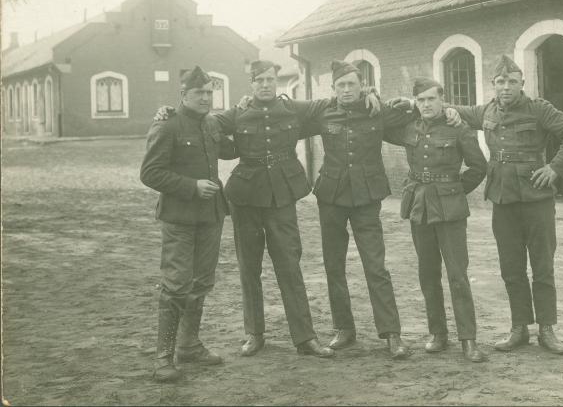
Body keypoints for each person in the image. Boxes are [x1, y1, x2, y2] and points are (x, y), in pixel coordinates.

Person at [153, 60, 383, 359]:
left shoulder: (295, 110)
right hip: (245, 198)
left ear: (277, 82)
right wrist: (168, 111)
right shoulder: (235, 114)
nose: (264, 85)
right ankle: (254, 334)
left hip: (282, 198)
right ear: (251, 84)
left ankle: (305, 338)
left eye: (270, 79)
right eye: (259, 80)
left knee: (290, 265)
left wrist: (371, 93)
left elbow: (337, 100)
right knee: (249, 268)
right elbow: (198, 121)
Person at [312, 60, 461, 359]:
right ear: (333, 89)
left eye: (351, 84)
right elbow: (280, 113)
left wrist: (452, 110)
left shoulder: (376, 109)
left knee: (376, 266)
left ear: (361, 85)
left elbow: (418, 106)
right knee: (333, 265)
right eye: (340, 85)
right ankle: (344, 328)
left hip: (367, 197)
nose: (346, 90)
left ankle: (392, 334)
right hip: (331, 196)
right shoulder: (320, 111)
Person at [450, 55, 563, 355]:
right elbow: (447, 108)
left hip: (537, 199)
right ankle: (519, 327)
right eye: (501, 82)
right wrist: (404, 103)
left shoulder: (539, 109)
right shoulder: (485, 111)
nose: (506, 87)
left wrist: (555, 168)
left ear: (522, 83)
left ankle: (547, 329)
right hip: (503, 200)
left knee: (542, 266)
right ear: (493, 85)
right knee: (511, 268)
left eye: (512, 81)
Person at [383, 77, 487, 362]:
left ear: (443, 100)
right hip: (419, 207)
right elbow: (381, 124)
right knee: (427, 273)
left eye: (431, 99)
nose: (426, 104)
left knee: (457, 275)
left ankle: (468, 339)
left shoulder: (459, 128)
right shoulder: (409, 127)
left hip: (450, 209)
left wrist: (453, 191)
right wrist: (403, 105)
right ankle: (438, 333)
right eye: (421, 100)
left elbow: (479, 167)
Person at [140, 66, 234, 383]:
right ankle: (163, 358)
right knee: (176, 284)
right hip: (179, 217)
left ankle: (189, 345)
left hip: (210, 215)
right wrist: (191, 186)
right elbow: (150, 173)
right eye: (199, 93)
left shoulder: (210, 123)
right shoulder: (167, 125)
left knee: (202, 281)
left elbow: (231, 143)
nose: (206, 98)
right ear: (183, 95)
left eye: (210, 92)